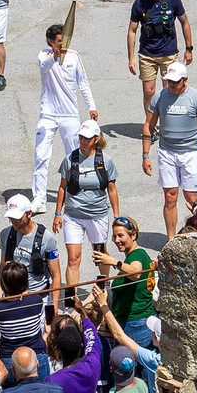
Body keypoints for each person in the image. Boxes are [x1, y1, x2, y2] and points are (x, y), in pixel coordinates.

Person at [143, 58, 197, 240]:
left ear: (185, 80)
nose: (171, 85)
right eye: (169, 81)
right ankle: (171, 239)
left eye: (176, 81)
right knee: (170, 197)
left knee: (193, 200)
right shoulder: (160, 97)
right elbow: (149, 126)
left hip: (190, 153)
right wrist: (145, 156)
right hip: (167, 152)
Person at [53, 119, 120, 301]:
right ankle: (71, 298)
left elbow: (112, 189)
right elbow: (62, 187)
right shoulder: (70, 159)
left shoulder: (105, 161)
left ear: (96, 139)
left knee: (99, 253)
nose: (82, 141)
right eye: (81, 137)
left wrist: (117, 216)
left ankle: (104, 285)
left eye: (86, 138)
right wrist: (58, 214)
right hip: (73, 216)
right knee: (73, 258)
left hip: (97, 215)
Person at [34, 26, 98, 208]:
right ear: (51, 42)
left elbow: (83, 83)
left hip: (70, 115)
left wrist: (91, 106)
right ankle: (39, 199)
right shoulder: (43, 55)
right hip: (48, 115)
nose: (64, 43)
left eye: (65, 39)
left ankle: (76, 193)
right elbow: (45, 66)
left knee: (75, 157)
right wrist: (55, 56)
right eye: (60, 41)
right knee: (41, 156)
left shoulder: (74, 56)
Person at [127, 0, 192, 123]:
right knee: (149, 91)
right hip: (147, 55)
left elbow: (184, 22)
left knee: (170, 89)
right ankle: (151, 124)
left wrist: (189, 49)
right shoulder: (139, 4)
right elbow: (132, 31)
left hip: (169, 54)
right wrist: (131, 58)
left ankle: (168, 122)